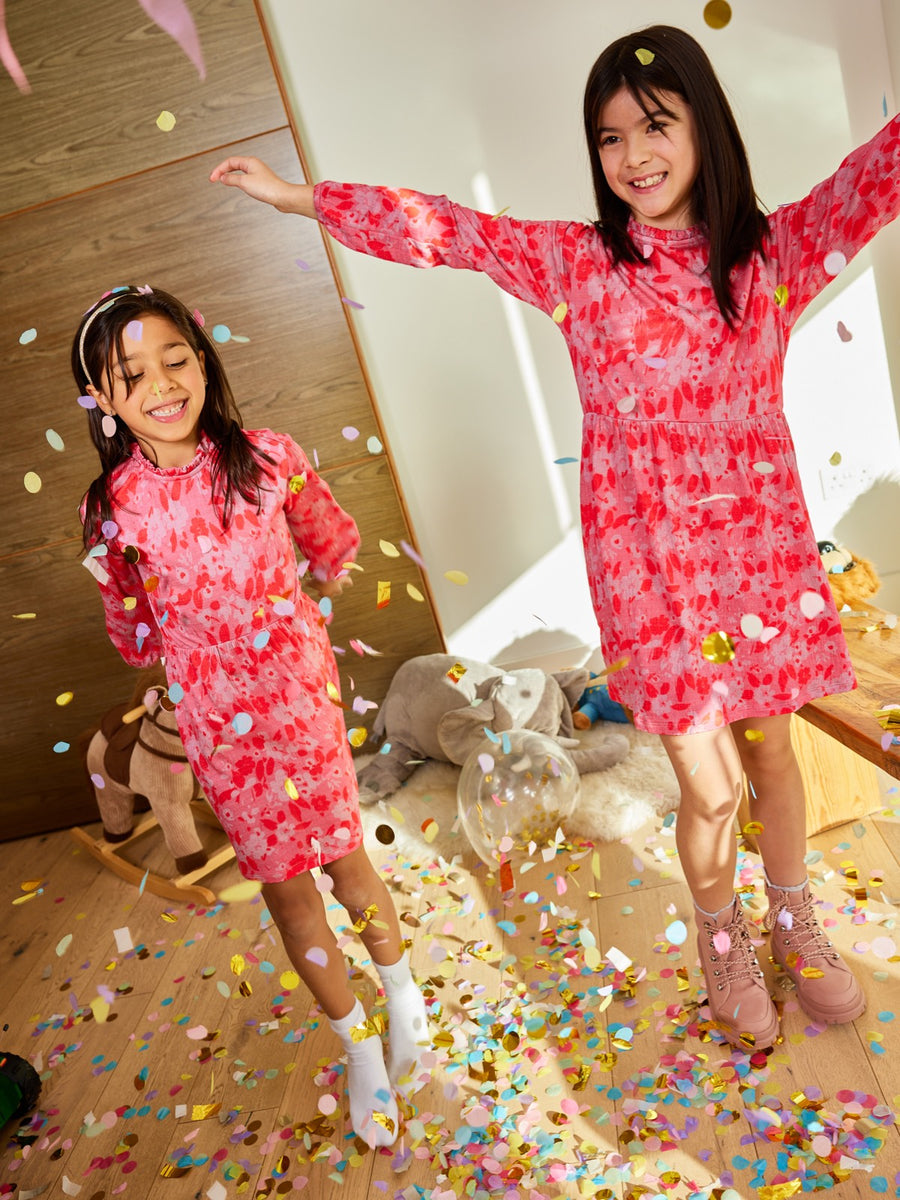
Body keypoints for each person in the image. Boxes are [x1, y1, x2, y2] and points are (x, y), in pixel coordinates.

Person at [209, 25, 900, 1051]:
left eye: (655, 126)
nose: (633, 156)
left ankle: (797, 923)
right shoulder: (580, 265)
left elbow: (870, 177)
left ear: (704, 126)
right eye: (609, 137)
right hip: (654, 582)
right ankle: (723, 933)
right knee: (706, 787)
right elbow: (448, 230)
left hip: (760, 566)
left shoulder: (772, 256)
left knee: (774, 759)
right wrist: (302, 197)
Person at [72, 285, 430, 1145]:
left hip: (302, 698)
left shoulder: (269, 456)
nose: (161, 383)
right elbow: (127, 624)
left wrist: (297, 610)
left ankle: (403, 994)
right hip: (215, 717)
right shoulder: (110, 505)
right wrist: (183, 649)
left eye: (175, 359)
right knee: (286, 889)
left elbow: (332, 542)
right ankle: (359, 1049)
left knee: (346, 864)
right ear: (103, 398)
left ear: (204, 360)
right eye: (131, 373)